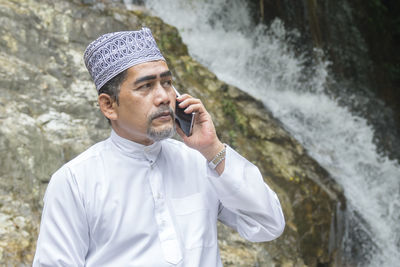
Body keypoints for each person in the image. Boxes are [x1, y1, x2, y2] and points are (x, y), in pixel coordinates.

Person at [33, 27, 285, 266]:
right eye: (146, 86)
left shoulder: (199, 161)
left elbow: (268, 224)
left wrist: (212, 149)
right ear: (109, 105)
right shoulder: (75, 181)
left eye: (166, 83)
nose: (164, 97)